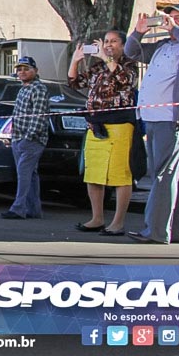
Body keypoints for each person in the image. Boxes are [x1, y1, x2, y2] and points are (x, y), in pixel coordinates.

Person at [124, 4, 179, 245]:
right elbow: (132, 52)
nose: (170, 21)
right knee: (172, 175)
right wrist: (138, 32)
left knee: (163, 175)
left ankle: (156, 232)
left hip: (171, 119)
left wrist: (178, 31)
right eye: (169, 17)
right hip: (151, 118)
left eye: (178, 18)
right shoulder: (163, 46)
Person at [68, 31, 139, 236]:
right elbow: (75, 83)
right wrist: (75, 61)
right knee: (94, 174)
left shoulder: (129, 64)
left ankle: (117, 222)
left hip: (119, 126)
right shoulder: (98, 67)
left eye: (113, 41)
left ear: (123, 45)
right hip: (95, 126)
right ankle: (97, 218)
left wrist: (105, 58)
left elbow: (123, 80)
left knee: (120, 175)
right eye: (106, 41)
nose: (108, 45)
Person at [1, 56, 49, 220]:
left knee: (24, 174)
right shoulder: (23, 89)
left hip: (31, 140)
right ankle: (34, 210)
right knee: (31, 175)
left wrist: (29, 138)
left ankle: (18, 209)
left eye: (26, 69)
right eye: (19, 69)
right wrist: (13, 137)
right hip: (18, 138)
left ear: (35, 71)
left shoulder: (38, 89)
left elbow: (38, 116)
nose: (22, 72)